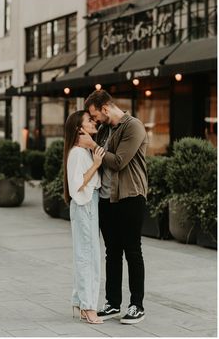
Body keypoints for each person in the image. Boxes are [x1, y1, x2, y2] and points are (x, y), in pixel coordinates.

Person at [78, 90, 148, 325]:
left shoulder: (133, 126)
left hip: (130, 197)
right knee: (112, 252)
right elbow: (97, 161)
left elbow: (118, 162)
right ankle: (113, 303)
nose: (94, 119)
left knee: (132, 251)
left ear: (105, 108)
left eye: (95, 114)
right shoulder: (105, 129)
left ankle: (137, 305)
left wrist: (90, 145)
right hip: (107, 200)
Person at [63, 110, 105, 324]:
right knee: (89, 258)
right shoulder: (78, 153)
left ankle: (80, 302)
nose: (93, 121)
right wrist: (96, 164)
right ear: (80, 129)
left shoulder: (81, 151)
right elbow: (77, 184)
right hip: (85, 204)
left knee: (86, 255)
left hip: (88, 205)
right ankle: (89, 307)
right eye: (89, 120)